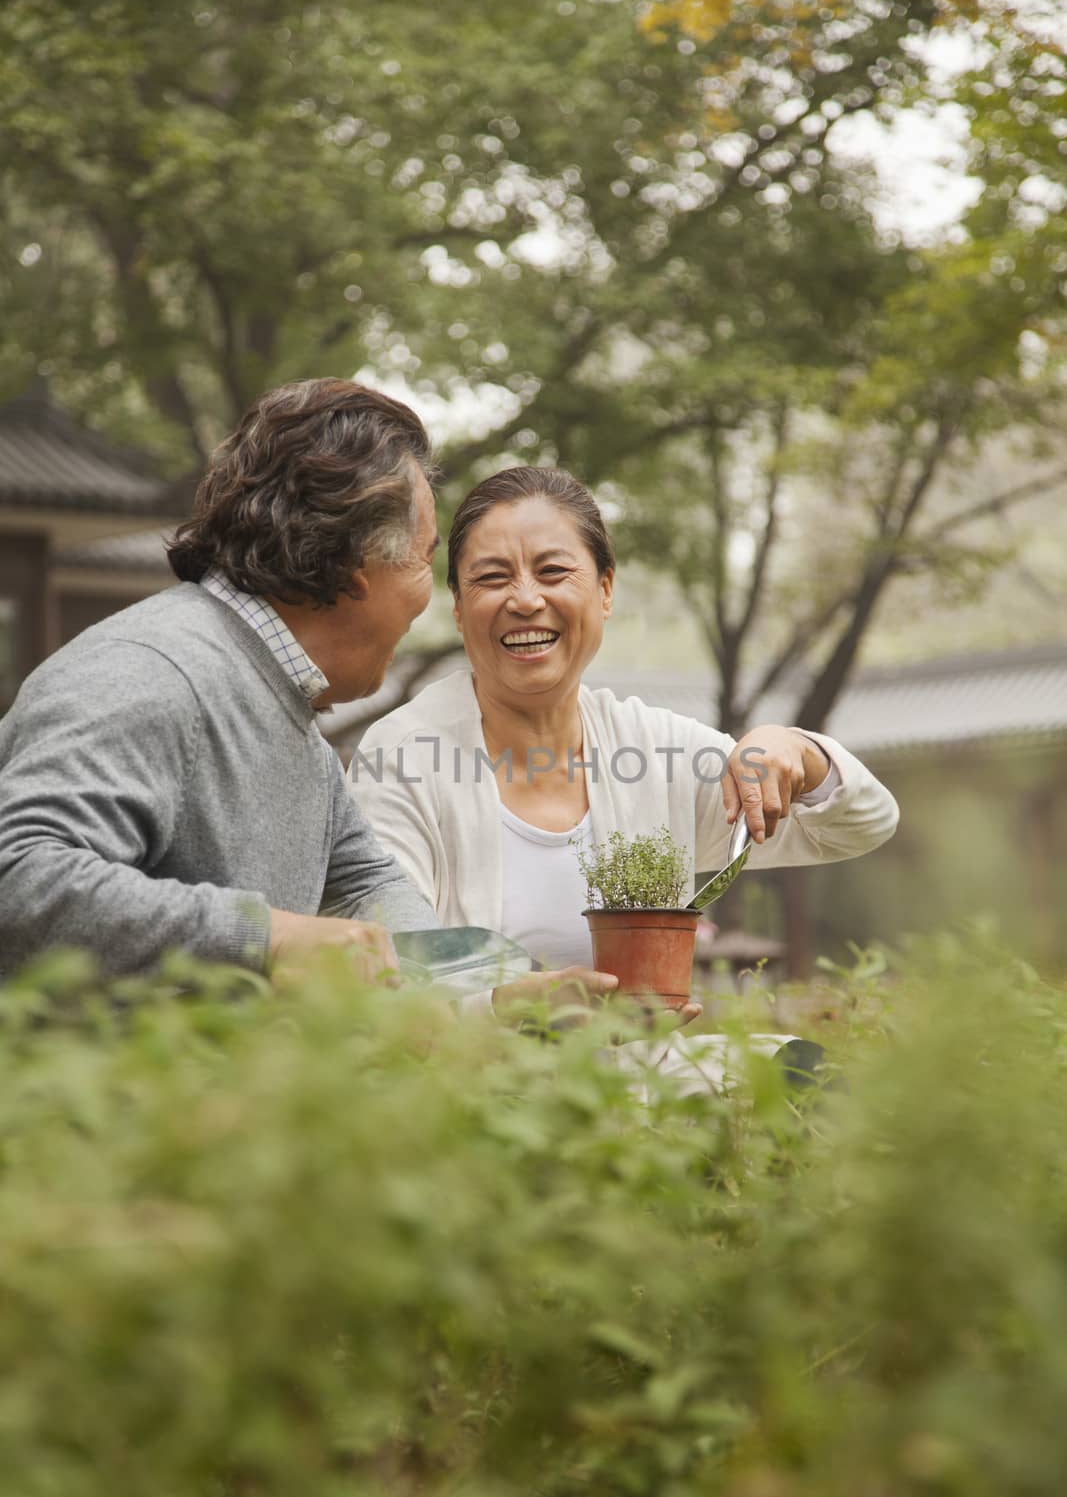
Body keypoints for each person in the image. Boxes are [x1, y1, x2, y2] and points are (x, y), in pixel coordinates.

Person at [351, 465, 899, 1021]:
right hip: (463, 1093)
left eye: (552, 571)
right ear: (459, 606)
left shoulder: (651, 750)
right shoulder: (403, 758)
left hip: (640, 1085)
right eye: (492, 578)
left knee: (801, 1071)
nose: (524, 599)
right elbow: (385, 984)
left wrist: (794, 751)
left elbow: (862, 824)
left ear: (605, 591)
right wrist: (505, 1012)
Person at [0, 378, 442, 981]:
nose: (428, 592)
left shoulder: (288, 711)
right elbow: (20, 878)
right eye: (425, 556)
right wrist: (269, 939)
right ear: (357, 562)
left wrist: (486, 989)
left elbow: (365, 885)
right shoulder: (149, 670)